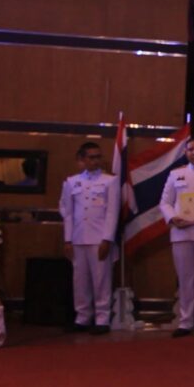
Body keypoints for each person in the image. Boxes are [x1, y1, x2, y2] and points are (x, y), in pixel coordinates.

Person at [59, 142, 119, 335]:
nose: (96, 161)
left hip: (99, 237)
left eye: (98, 157)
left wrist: (107, 239)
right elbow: (67, 212)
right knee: (80, 280)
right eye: (91, 157)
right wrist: (68, 239)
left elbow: (112, 212)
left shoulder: (109, 181)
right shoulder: (72, 182)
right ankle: (82, 317)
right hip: (78, 237)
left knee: (101, 279)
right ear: (82, 159)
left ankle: (102, 318)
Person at [159, 138, 194, 338]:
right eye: (190, 149)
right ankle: (185, 321)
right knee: (185, 279)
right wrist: (172, 218)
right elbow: (165, 202)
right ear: (185, 152)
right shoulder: (176, 174)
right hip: (181, 232)